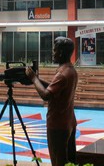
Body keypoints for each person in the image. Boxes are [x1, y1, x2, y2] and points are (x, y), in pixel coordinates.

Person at [26, 37, 78, 166]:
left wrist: (34, 79)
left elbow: (46, 95)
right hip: (69, 122)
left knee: (58, 161)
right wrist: (37, 79)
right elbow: (54, 87)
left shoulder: (62, 74)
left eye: (55, 50)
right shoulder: (70, 70)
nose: (53, 53)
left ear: (60, 52)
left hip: (58, 125)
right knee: (69, 161)